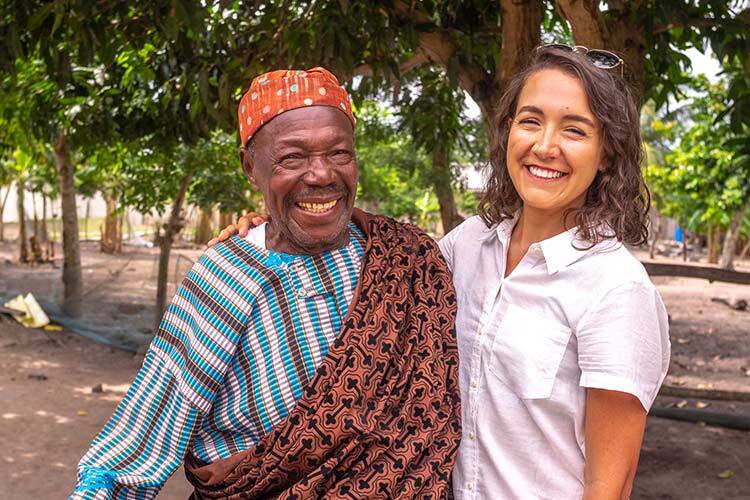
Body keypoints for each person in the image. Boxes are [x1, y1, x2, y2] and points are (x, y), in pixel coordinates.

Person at [216, 47, 670, 499]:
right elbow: (382, 257)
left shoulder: (616, 291)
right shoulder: (469, 244)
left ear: (607, 153)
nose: (545, 146)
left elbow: (609, 486)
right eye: (531, 121)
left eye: (575, 130)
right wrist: (274, 225)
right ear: (508, 130)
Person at [71, 67, 461, 499]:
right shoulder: (227, 276)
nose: (320, 174)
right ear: (250, 169)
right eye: (292, 158)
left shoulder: (407, 258)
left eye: (339, 153)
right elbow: (134, 450)